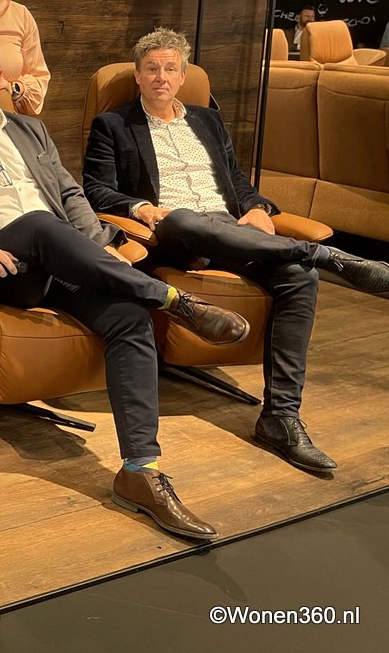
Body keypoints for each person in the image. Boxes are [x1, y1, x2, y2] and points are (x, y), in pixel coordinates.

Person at [0, 34, 253, 541]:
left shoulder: (31, 129)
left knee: (129, 318)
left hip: (62, 263)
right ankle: (172, 300)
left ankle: (141, 471)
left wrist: (100, 250)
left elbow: (70, 194)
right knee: (39, 224)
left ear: (2, 78)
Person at [83, 28, 389, 474]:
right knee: (182, 218)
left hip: (230, 230)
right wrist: (140, 207)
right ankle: (327, 256)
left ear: (183, 75)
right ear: (138, 74)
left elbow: (237, 181)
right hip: (173, 234)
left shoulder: (207, 121)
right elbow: (95, 189)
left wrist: (258, 208)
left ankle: (280, 418)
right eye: (151, 68)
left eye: (170, 68)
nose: (161, 77)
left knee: (298, 276)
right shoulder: (113, 125)